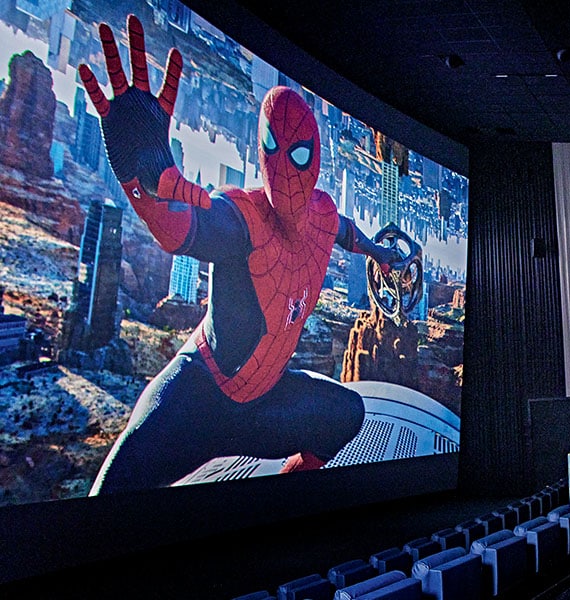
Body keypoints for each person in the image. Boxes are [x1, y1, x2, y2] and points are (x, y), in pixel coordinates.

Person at [79, 15, 403, 494]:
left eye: (296, 155)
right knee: (109, 497)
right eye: (272, 147)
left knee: (346, 415)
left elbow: (343, 231)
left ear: (314, 160)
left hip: (263, 405)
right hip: (195, 396)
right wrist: (140, 172)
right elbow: (181, 230)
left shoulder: (321, 214)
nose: (283, 167)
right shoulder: (241, 217)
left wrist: (379, 252)